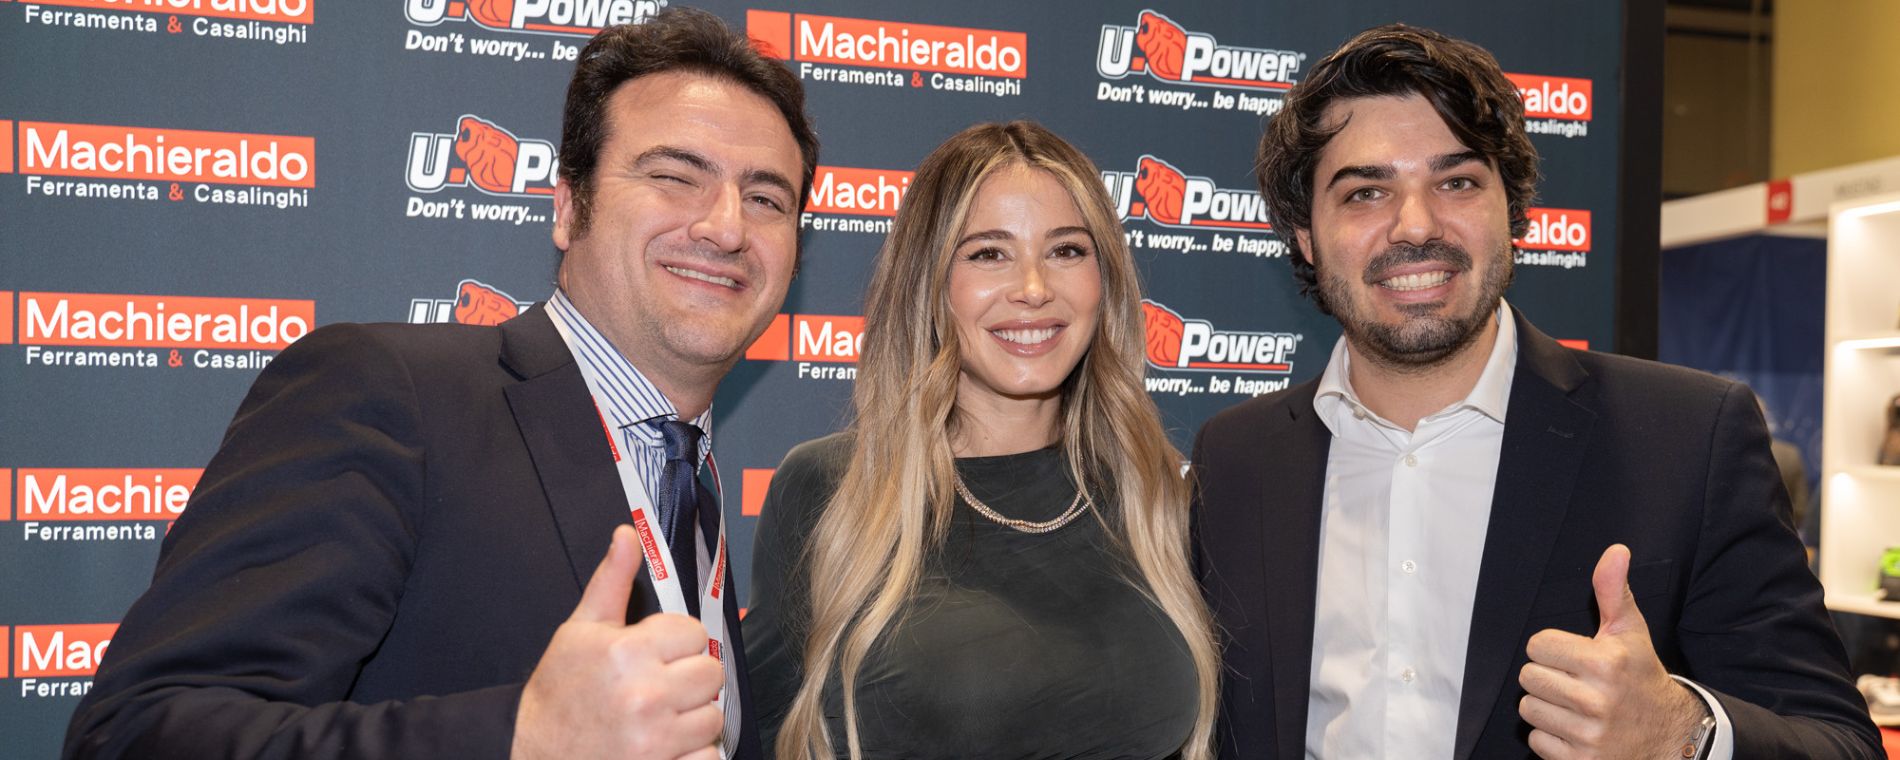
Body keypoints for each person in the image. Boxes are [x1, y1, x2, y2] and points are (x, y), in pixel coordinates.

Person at [63, 9, 817, 760]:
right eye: (674, 177)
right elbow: (135, 736)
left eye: (766, 199)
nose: (726, 227)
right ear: (567, 207)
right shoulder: (388, 396)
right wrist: (525, 738)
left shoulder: (690, 482)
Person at [1192, 23, 1880, 760]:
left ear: (1512, 211)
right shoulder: (1235, 458)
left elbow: (1841, 744)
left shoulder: (1688, 439)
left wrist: (1682, 733)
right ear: (1305, 235)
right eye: (1365, 192)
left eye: (1456, 182)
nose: (1415, 225)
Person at [744, 121, 1219, 760]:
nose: (1033, 288)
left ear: (1104, 280)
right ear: (930, 280)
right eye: (989, 254)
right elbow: (762, 731)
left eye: (1067, 251)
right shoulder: (835, 487)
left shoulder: (1156, 493)